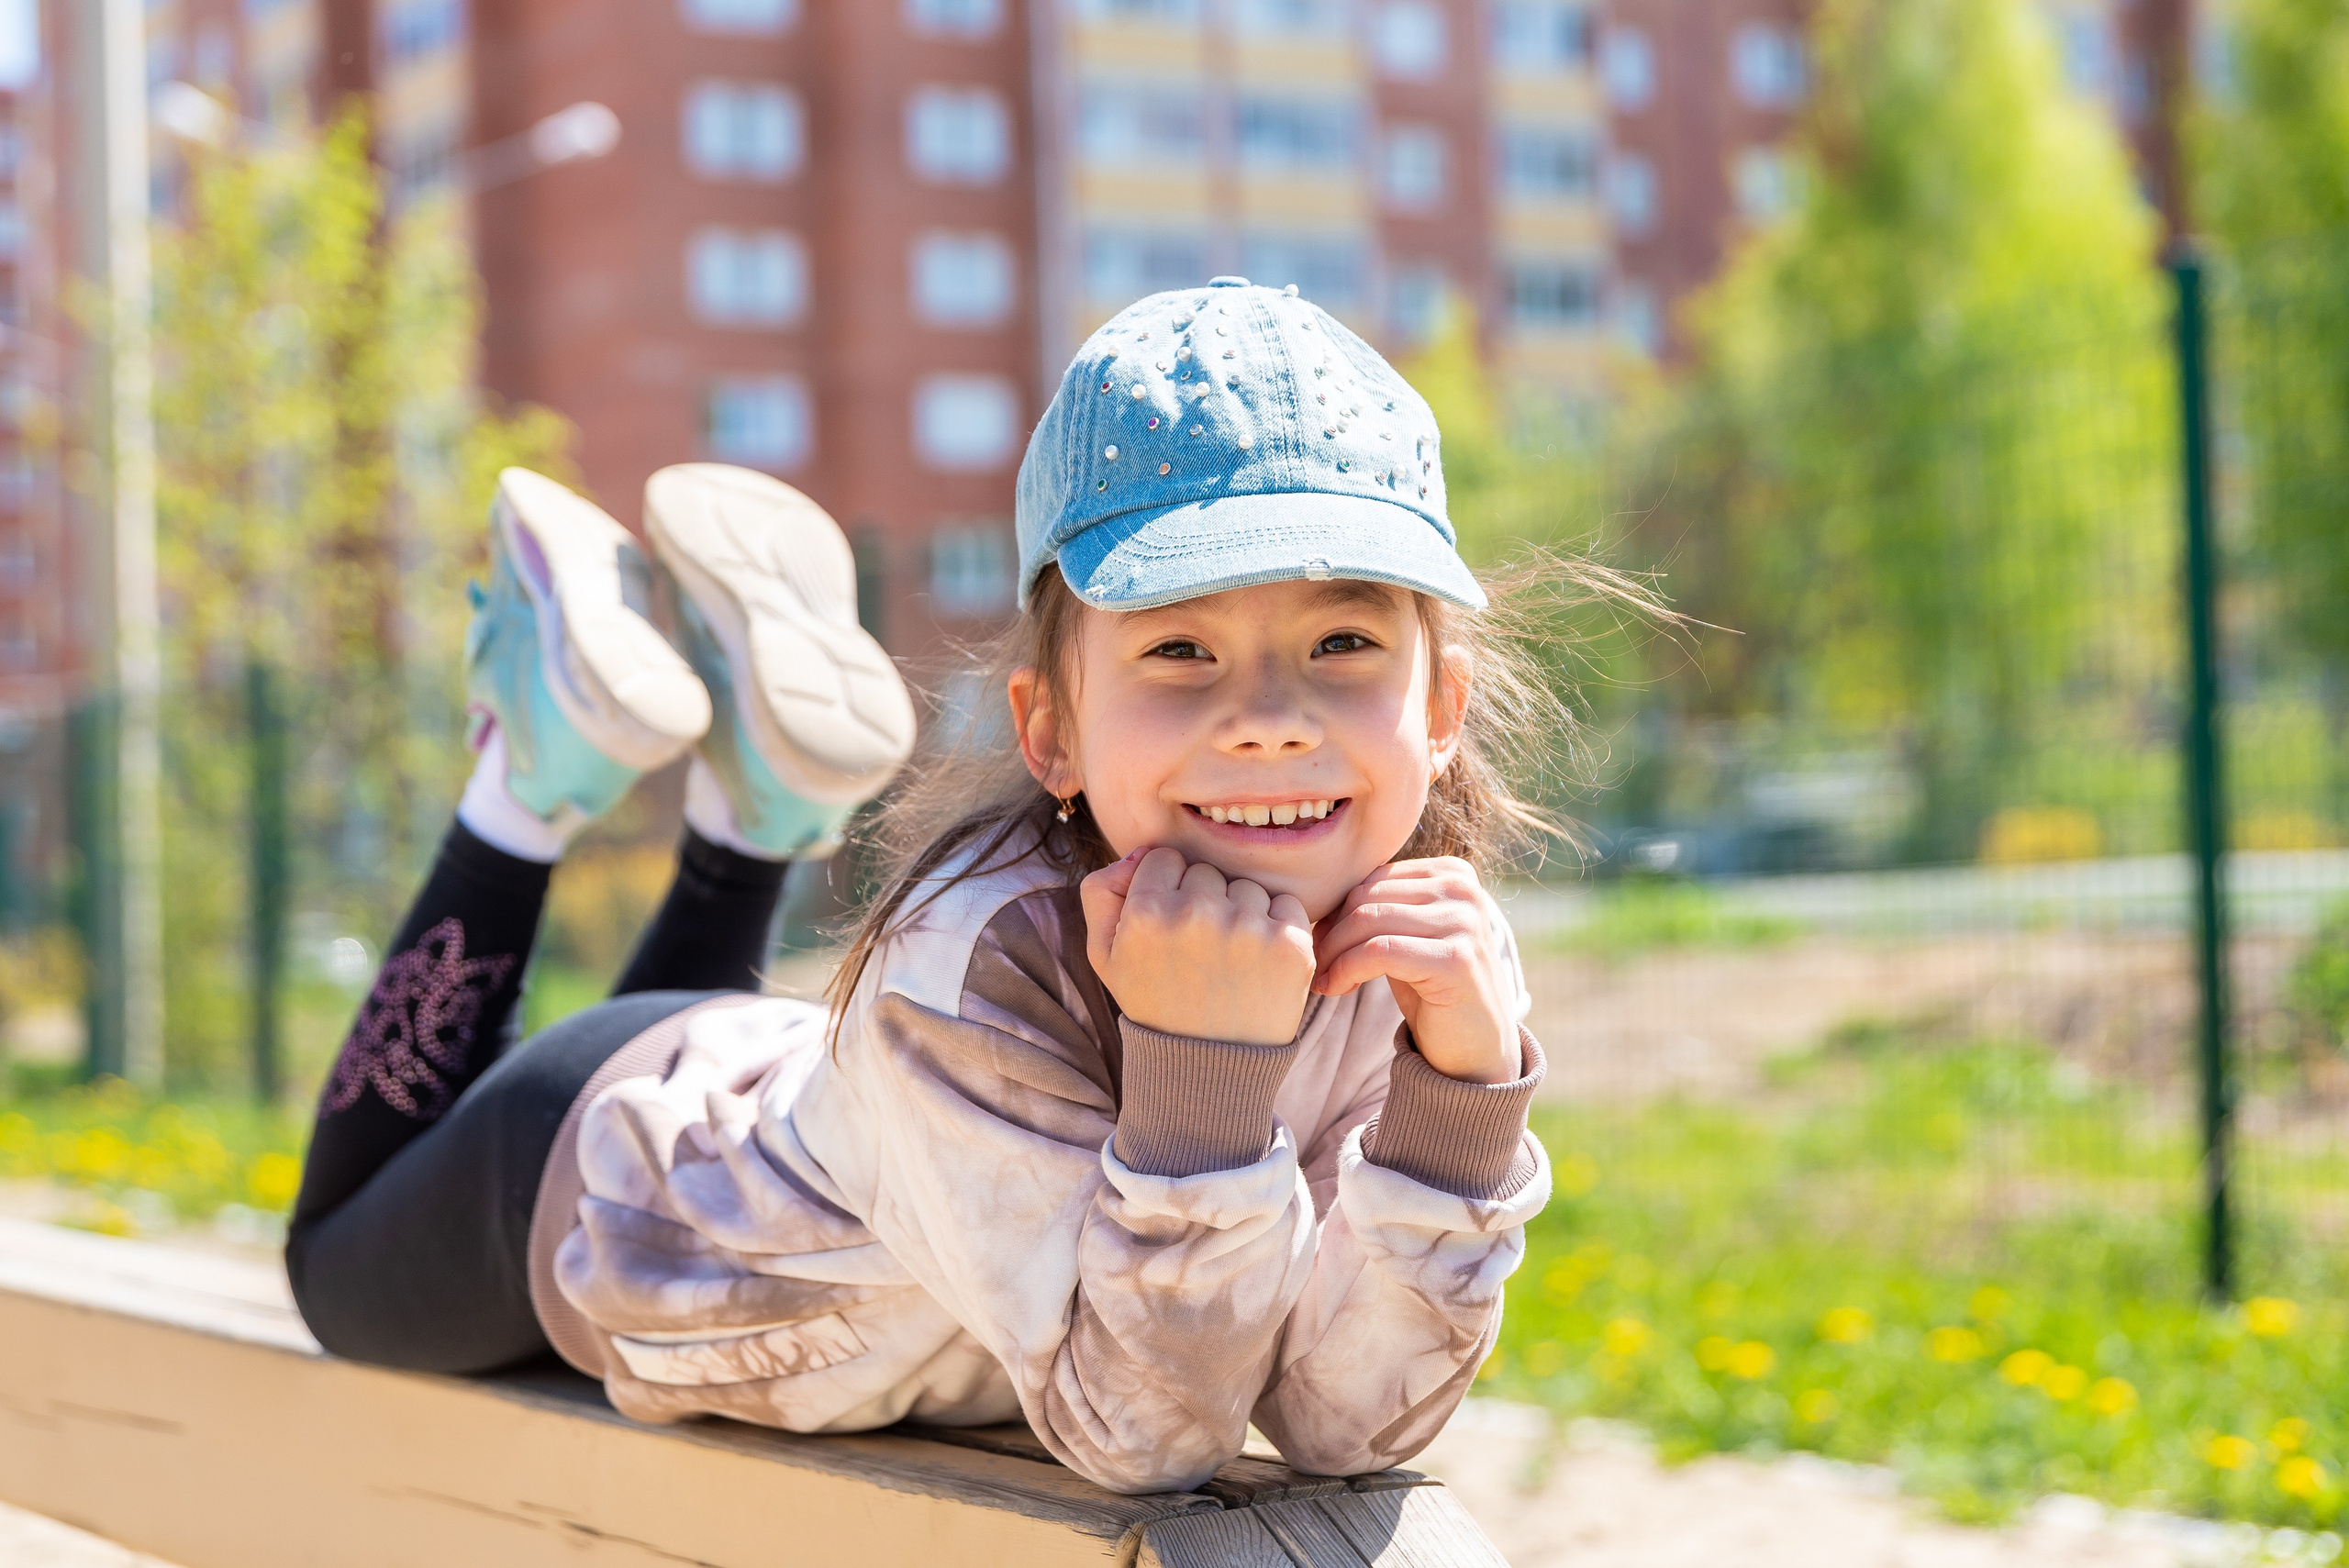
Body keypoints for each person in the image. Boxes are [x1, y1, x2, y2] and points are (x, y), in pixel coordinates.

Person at [288, 277, 1585, 1497]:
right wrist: (1201, 1069)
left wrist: (1459, 1111)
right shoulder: (966, 967)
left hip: (794, 1088)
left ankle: (756, 810)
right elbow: (1147, 1438)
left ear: (1442, 709)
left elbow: (1344, 1425)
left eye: (1343, 641)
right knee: (337, 1269)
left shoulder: (1423, 954)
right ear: (1050, 732)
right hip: (611, 1168)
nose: (1267, 717)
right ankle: (527, 769)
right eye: (1180, 647)